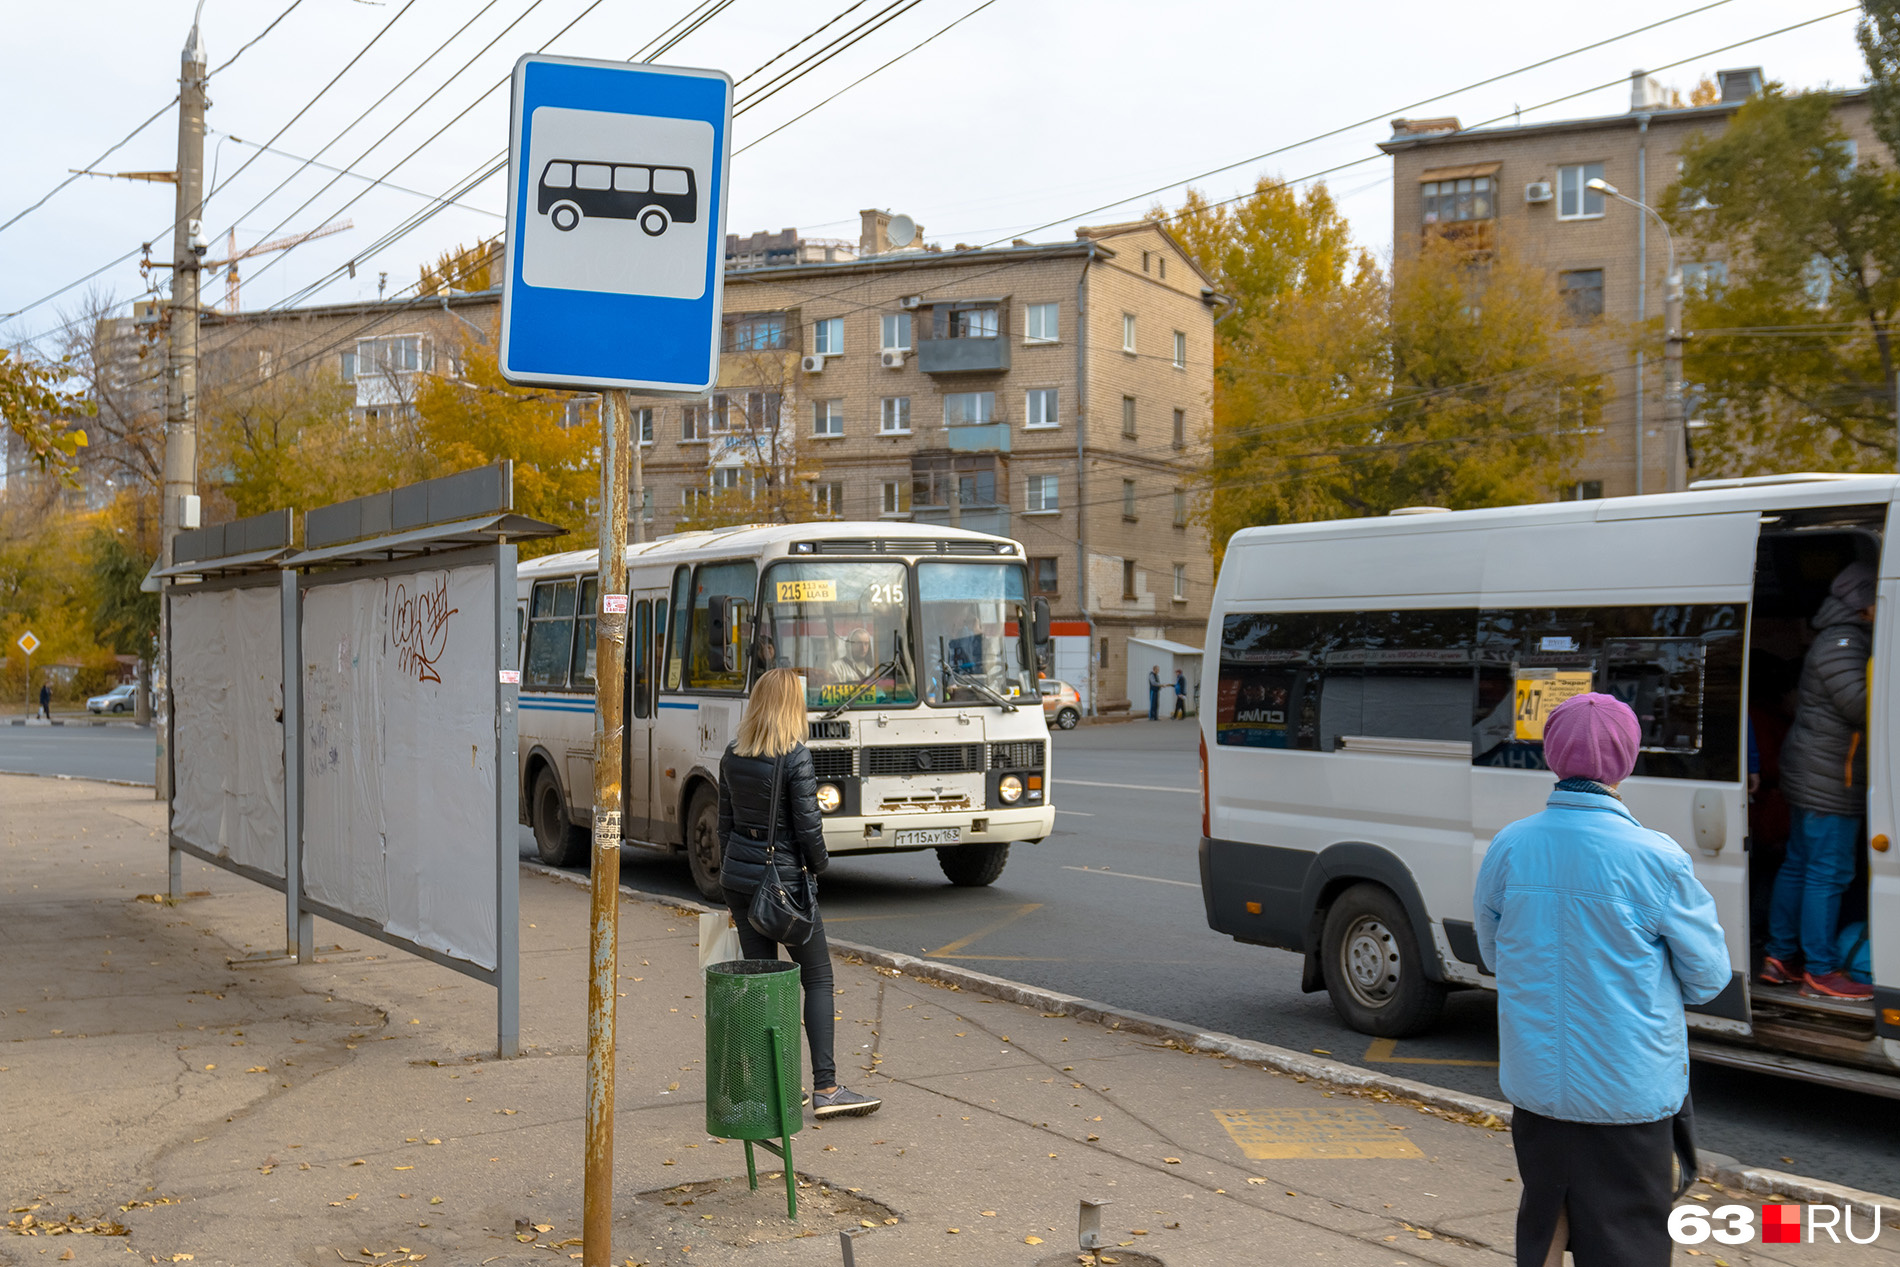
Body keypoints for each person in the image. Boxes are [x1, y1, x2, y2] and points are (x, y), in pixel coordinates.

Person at [1475, 693, 1729, 1267]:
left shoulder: (1510, 845)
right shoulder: (1656, 858)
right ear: (1629, 759)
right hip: (1628, 1092)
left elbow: (1494, 954)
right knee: (1628, 1242)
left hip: (1538, 1086)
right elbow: (1709, 977)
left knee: (1546, 1222)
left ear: (1552, 756)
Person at [716, 668, 882, 1119]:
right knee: (817, 977)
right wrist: (821, 866)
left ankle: (773, 1087)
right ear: (791, 706)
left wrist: (735, 874)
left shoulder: (732, 753)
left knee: (762, 982)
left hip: (739, 881)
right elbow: (809, 829)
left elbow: (724, 826)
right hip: (784, 885)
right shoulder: (795, 757)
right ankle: (826, 1088)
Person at [1762, 560, 1876, 1000]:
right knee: (1827, 874)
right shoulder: (1843, 643)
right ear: (1864, 603)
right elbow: (1864, 705)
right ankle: (1821, 969)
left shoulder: (1839, 639)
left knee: (1802, 866)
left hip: (1817, 773)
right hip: (1829, 778)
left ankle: (1781, 957)